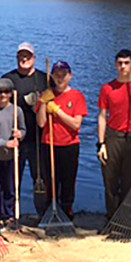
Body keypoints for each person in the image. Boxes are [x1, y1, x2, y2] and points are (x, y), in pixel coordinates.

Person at [97, 49, 131, 219]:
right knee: (110, 181)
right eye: (120, 63)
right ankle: (111, 218)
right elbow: (102, 117)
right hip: (113, 136)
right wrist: (101, 144)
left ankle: (125, 219)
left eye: (127, 63)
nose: (123, 66)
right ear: (116, 65)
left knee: (129, 181)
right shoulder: (108, 88)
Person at [36, 61, 87, 220]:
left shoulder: (77, 96)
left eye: (63, 75)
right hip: (49, 143)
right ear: (52, 76)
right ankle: (50, 210)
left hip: (69, 145)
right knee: (50, 181)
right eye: (57, 75)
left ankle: (66, 211)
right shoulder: (47, 95)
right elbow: (41, 123)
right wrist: (44, 103)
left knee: (68, 181)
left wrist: (57, 111)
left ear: (70, 76)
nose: (60, 78)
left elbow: (76, 124)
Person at [2, 43, 48, 198]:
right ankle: (11, 212)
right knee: (12, 178)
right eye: (21, 55)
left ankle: (42, 212)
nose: (24, 59)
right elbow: (1, 108)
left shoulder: (44, 79)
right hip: (15, 137)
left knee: (41, 176)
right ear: (16, 58)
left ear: (34, 58)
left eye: (27, 56)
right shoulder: (8, 79)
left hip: (39, 138)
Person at [0, 78, 26, 230]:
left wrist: (20, 134)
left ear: (10, 94)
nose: (2, 95)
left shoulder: (17, 111)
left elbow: (23, 130)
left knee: (10, 187)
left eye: (6, 92)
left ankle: (9, 215)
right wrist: (4, 143)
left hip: (11, 157)